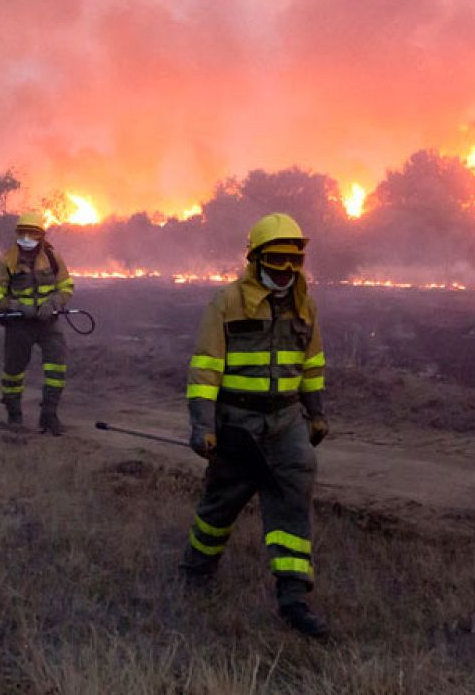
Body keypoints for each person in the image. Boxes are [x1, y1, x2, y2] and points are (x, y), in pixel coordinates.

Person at [179, 212, 331, 638]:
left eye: (294, 260)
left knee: (293, 504)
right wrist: (202, 425)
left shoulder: (305, 306)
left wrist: (316, 413)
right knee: (220, 505)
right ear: (256, 258)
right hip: (237, 425)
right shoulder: (226, 303)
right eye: (277, 259)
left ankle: (294, 599)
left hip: (287, 423)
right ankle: (195, 573)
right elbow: (205, 369)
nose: (286, 269)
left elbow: (312, 365)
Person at [0, 211, 74, 434]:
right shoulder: (8, 260)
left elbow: (66, 286)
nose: (26, 238)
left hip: (48, 323)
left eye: (32, 233)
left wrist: (54, 302)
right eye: (22, 233)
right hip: (19, 325)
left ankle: (49, 416)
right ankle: (14, 415)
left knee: (56, 367)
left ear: (41, 236)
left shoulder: (52, 258)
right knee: (13, 370)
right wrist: (14, 306)